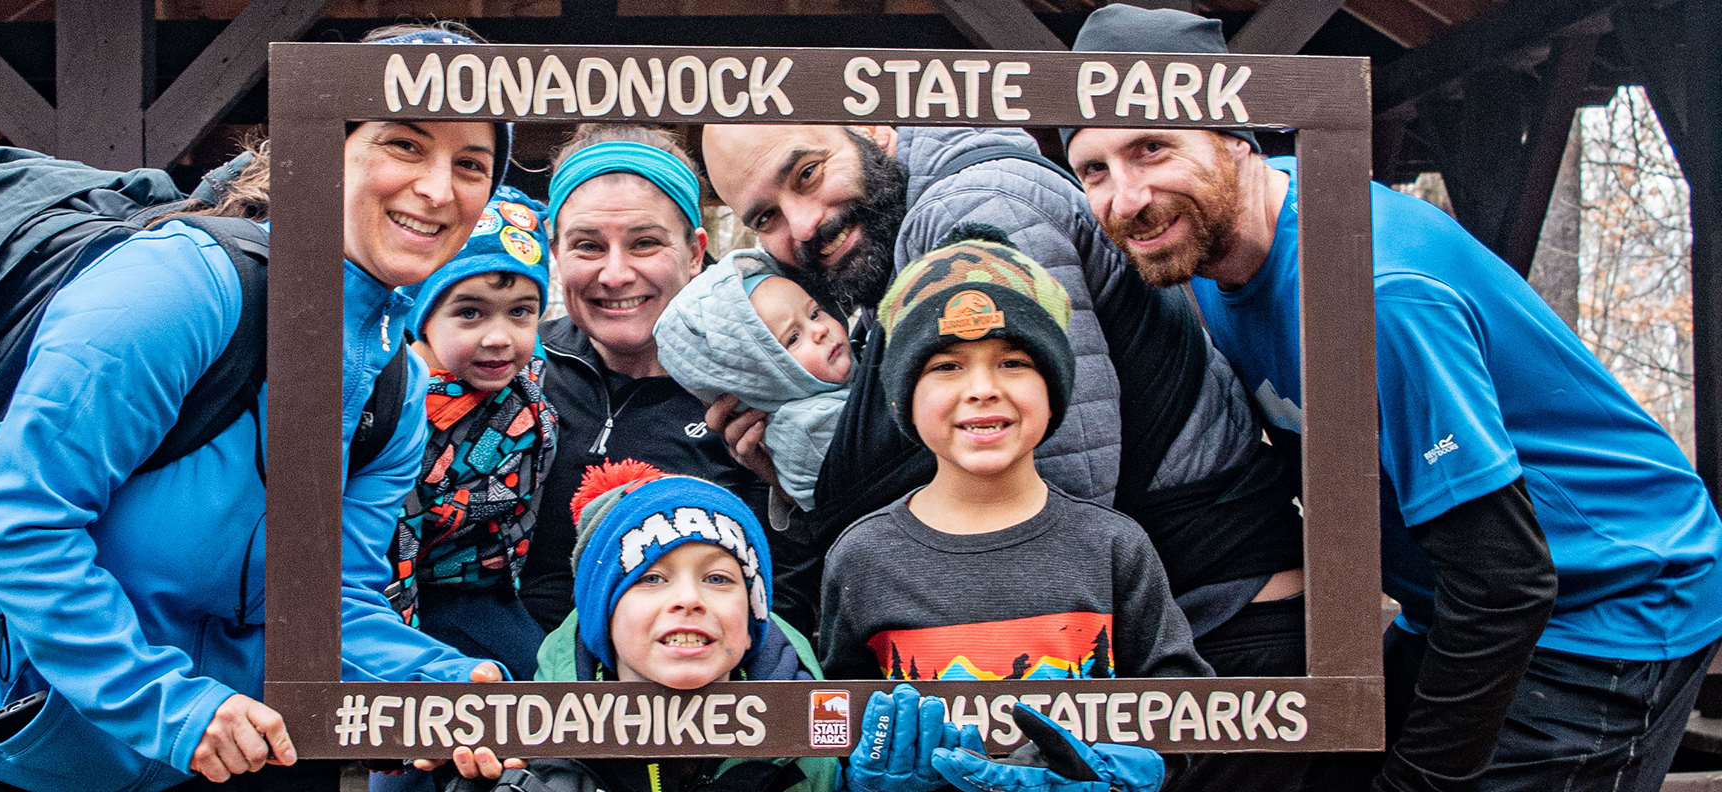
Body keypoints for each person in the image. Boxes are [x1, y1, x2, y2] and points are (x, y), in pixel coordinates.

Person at [0, 24, 518, 792]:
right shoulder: (179, 290)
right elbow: (21, 521)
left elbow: (329, 602)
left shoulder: (395, 390)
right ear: (321, 148)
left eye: (471, 163)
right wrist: (170, 710)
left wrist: (442, 684)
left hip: (159, 748)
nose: (439, 189)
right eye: (404, 144)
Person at [1064, 7, 1722, 791]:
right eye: (1094, 169)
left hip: (1605, 604)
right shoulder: (1205, 262)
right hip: (1446, 605)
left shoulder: (1371, 289)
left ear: (1237, 137)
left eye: (1152, 147)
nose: (1125, 198)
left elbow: (1508, 578)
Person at [697, 118, 1307, 687]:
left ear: (875, 128)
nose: (802, 225)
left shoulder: (978, 213)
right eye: (765, 218)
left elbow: (1047, 497)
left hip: (1212, 637)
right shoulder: (892, 240)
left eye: (806, 174)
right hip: (1149, 625)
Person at [821, 230, 1192, 792]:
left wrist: (1134, 773)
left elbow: (1190, 720)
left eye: (1014, 361)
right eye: (946, 366)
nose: (982, 389)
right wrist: (863, 778)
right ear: (904, 397)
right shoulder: (862, 559)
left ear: (1054, 386)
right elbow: (830, 726)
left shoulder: (1115, 547)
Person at [525, 124, 817, 634]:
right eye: (588, 246)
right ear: (556, 253)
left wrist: (788, 498)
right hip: (520, 693)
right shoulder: (512, 370)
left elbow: (784, 603)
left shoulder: (757, 389)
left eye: (644, 243)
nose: (614, 274)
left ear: (696, 252)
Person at [452, 459, 839, 792]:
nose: (689, 599)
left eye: (718, 579)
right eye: (650, 579)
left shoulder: (812, 744)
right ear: (602, 615)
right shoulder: (526, 746)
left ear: (754, 612)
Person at [393, 185, 557, 678]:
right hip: (413, 600)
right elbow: (395, 541)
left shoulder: (526, 383)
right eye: (469, 312)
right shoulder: (401, 411)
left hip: (494, 588)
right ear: (423, 317)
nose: (499, 337)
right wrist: (403, 664)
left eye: (521, 312)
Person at [654, 253, 850, 511]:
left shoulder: (833, 383)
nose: (820, 330)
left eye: (814, 314)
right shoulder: (811, 427)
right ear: (758, 381)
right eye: (792, 339)